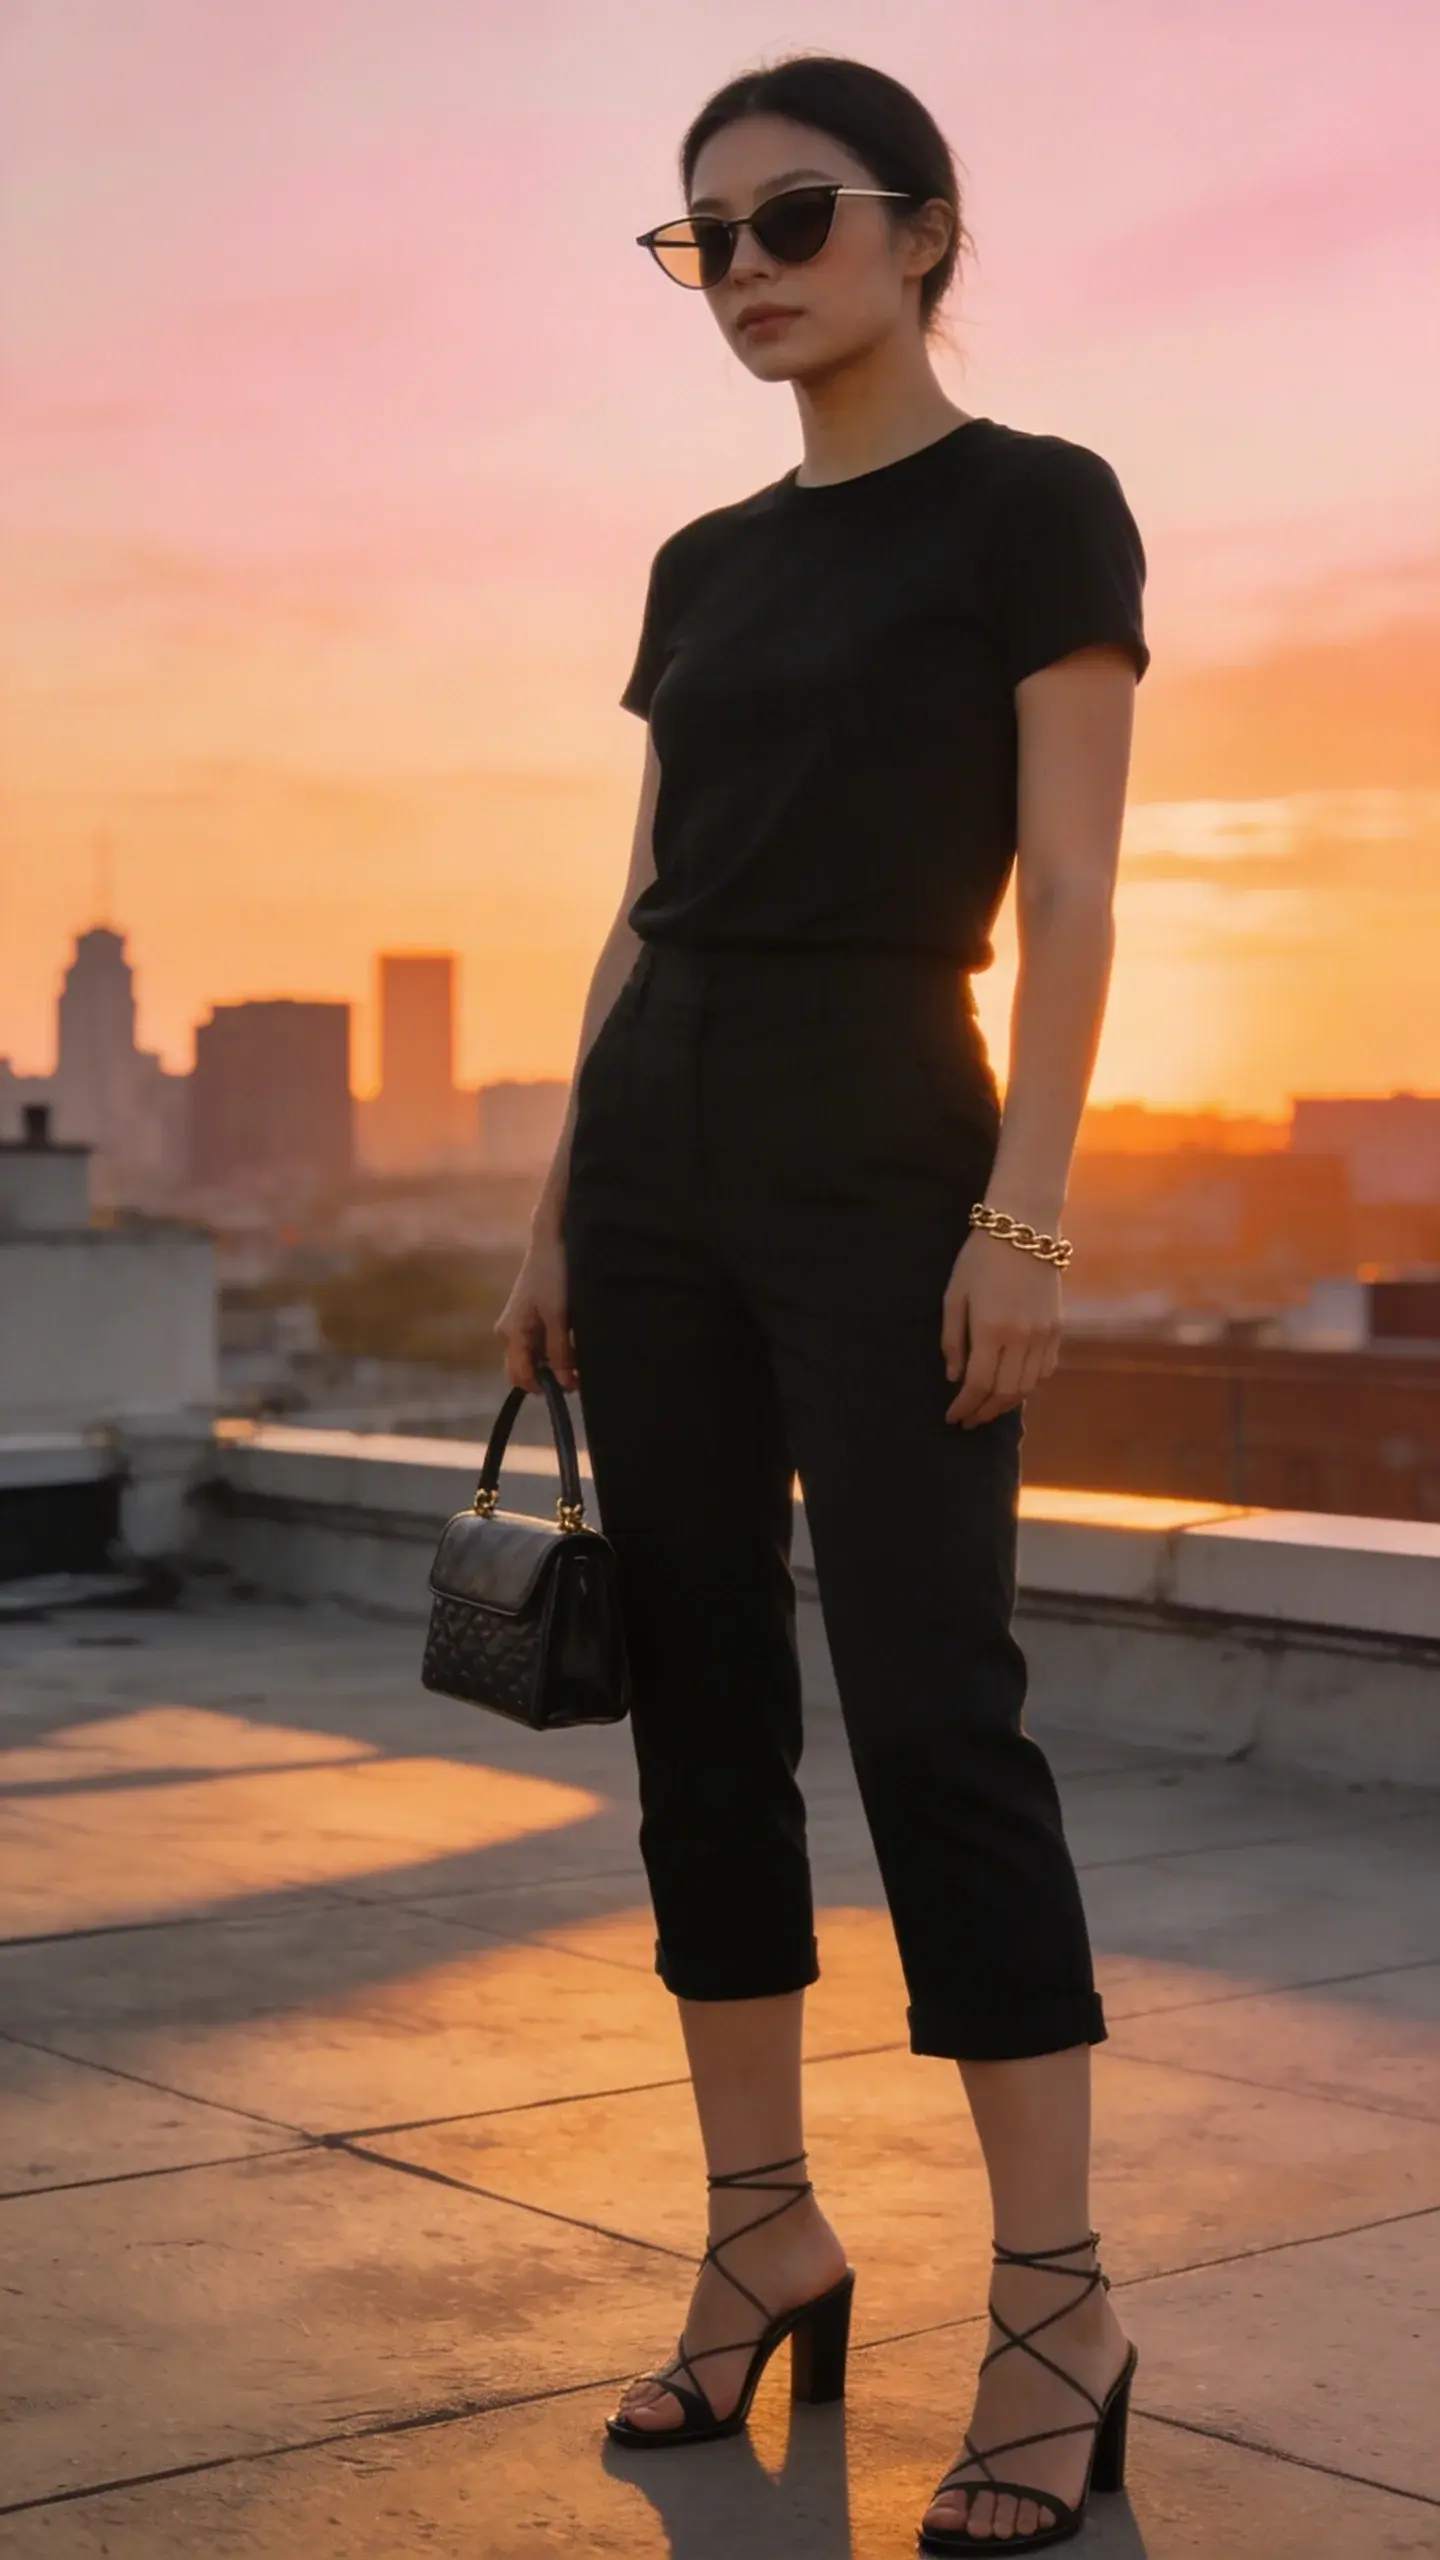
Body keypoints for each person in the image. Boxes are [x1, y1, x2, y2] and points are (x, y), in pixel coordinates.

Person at [496, 51, 1149, 2555]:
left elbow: (1076, 892)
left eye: (794, 218)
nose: (752, 269)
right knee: (698, 1701)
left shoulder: (1035, 505)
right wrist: (561, 1191)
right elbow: (637, 890)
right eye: (707, 241)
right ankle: (760, 2227)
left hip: (892, 1135)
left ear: (924, 228)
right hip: (653, 1132)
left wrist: (1030, 1209)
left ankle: (1061, 2293)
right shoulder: (697, 560)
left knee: (933, 1705)